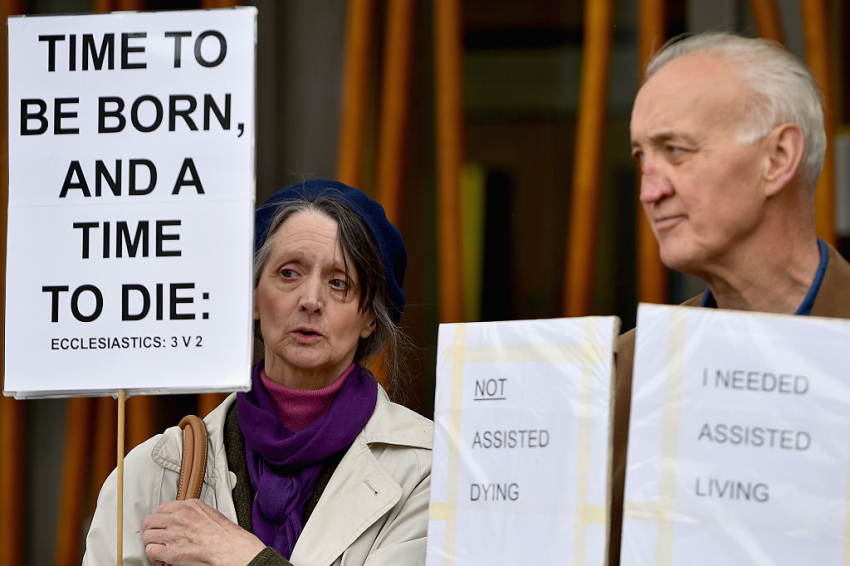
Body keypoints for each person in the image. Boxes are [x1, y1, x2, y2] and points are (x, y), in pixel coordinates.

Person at [83, 180, 433, 566]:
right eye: (288, 273)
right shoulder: (154, 472)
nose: (311, 300)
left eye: (339, 283)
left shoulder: (425, 473)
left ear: (368, 316)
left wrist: (245, 557)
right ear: (251, 298)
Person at [610, 32, 850, 565]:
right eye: (642, 157)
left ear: (778, 157)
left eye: (675, 151)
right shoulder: (628, 369)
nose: (650, 190)